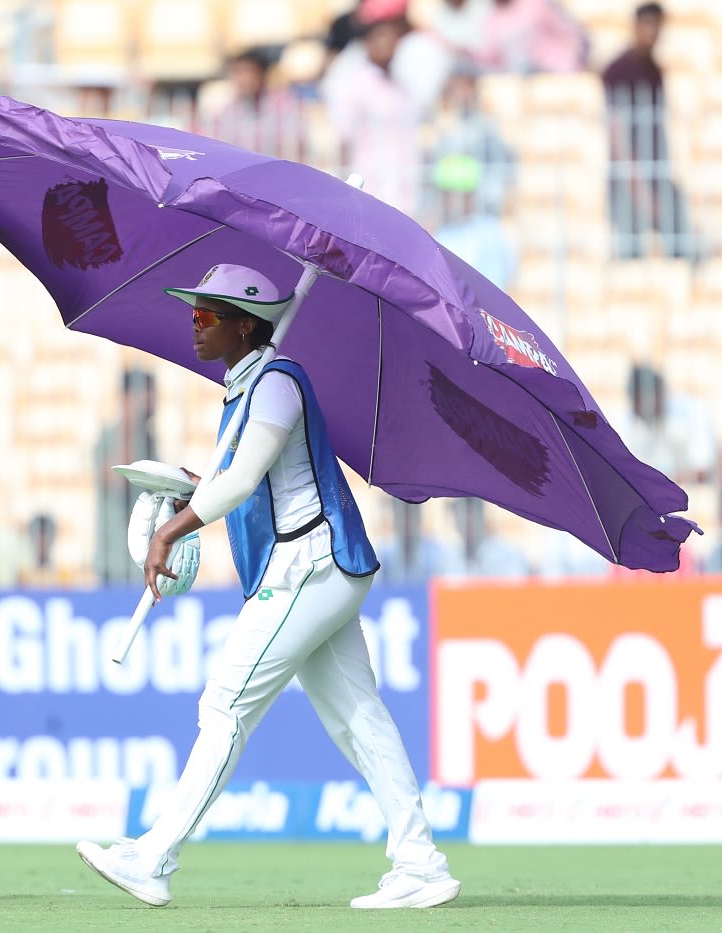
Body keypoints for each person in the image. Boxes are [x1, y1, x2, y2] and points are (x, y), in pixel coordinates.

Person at [76, 263, 460, 910]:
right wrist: (191, 487)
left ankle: (153, 856)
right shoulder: (247, 387)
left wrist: (171, 530)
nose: (193, 326)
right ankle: (420, 861)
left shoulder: (277, 382)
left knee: (225, 703)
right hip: (317, 566)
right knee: (358, 716)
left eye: (206, 316)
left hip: (307, 565)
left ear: (245, 324)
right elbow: (240, 479)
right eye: (193, 314)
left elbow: (244, 479)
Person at [321, 0, 453, 216]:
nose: (388, 42)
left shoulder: (402, 84)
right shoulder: (352, 83)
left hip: (405, 187)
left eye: (392, 36)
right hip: (369, 186)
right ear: (367, 42)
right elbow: (341, 138)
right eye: (381, 36)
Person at [602, 2, 699, 260]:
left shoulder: (654, 69)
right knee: (631, 257)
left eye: (657, 25)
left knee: (680, 249)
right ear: (635, 27)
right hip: (629, 179)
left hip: (655, 171)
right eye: (648, 24)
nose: (653, 31)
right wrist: (639, 188)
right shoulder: (619, 70)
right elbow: (617, 131)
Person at [93, 368, 158, 585]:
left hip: (142, 556)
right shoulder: (110, 437)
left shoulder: (150, 441)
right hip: (112, 558)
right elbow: (114, 482)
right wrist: (129, 425)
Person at [609, 362, 716, 487]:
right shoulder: (630, 420)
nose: (638, 410)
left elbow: (701, 470)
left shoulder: (689, 412)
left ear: (657, 395)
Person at [430, 63, 515, 217]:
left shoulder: (487, 128)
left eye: (466, 87)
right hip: (450, 212)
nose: (461, 93)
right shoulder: (443, 126)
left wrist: (484, 201)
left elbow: (499, 170)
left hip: (479, 212)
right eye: (456, 88)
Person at [198, 47, 308, 161]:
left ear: (262, 73)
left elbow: (296, 148)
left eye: (247, 72)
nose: (242, 79)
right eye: (237, 73)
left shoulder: (284, 106)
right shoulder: (225, 111)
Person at [431, 153, 518, 291]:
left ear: (469, 195)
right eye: (446, 193)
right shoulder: (442, 232)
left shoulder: (489, 234)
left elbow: (495, 286)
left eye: (453, 193)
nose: (448, 200)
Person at [476, 0, 588, 74]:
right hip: (523, 84)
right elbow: (493, 57)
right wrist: (469, 55)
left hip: (558, 74)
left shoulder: (535, 3)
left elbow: (571, 32)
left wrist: (574, 63)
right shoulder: (492, 18)